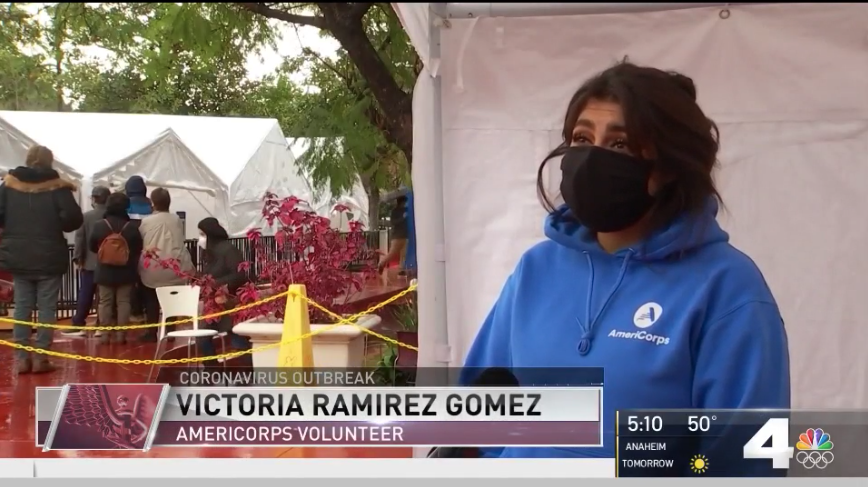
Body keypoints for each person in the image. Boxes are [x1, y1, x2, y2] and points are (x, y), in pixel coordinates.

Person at [460, 63, 790, 468]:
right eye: (582, 138)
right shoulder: (536, 270)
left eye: (620, 145)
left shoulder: (728, 289)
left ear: (669, 167)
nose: (592, 158)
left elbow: (748, 461)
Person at [0, 145, 83, 374]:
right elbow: (73, 219)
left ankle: (21, 359)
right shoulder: (57, 187)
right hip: (49, 255)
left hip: (18, 254)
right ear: (49, 161)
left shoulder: (9, 185)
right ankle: (41, 358)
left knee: (22, 307)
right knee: (47, 308)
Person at [137, 187, 194, 342]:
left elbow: (141, 239)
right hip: (175, 266)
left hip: (153, 266)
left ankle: (151, 332)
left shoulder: (146, 221)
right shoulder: (176, 220)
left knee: (151, 299)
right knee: (171, 300)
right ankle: (170, 331)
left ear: (153, 203)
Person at [89, 192, 144, 345]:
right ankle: (121, 335)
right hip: (126, 270)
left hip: (104, 270)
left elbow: (92, 246)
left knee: (105, 302)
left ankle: (105, 334)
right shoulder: (131, 227)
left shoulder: (100, 225)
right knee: (124, 302)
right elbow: (138, 248)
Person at [196, 217, 251, 362]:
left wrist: (216, 284)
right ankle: (211, 368)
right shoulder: (209, 252)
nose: (200, 238)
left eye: (202, 234)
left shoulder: (229, 250)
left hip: (229, 301)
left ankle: (249, 368)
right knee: (202, 337)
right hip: (212, 303)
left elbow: (239, 275)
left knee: (236, 336)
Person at [66, 186, 112, 338]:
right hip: (109, 263)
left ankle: (78, 323)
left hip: (89, 262)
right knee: (104, 297)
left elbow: (80, 239)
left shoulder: (86, 217)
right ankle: (101, 324)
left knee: (85, 293)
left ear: (94, 199)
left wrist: (78, 258)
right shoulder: (111, 216)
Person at [378, 195, 409, 273]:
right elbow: (393, 222)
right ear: (401, 202)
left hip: (406, 235)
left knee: (404, 254)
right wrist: (403, 217)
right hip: (397, 236)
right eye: (405, 202)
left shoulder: (407, 210)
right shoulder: (395, 211)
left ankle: (402, 270)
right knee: (393, 253)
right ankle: (382, 263)